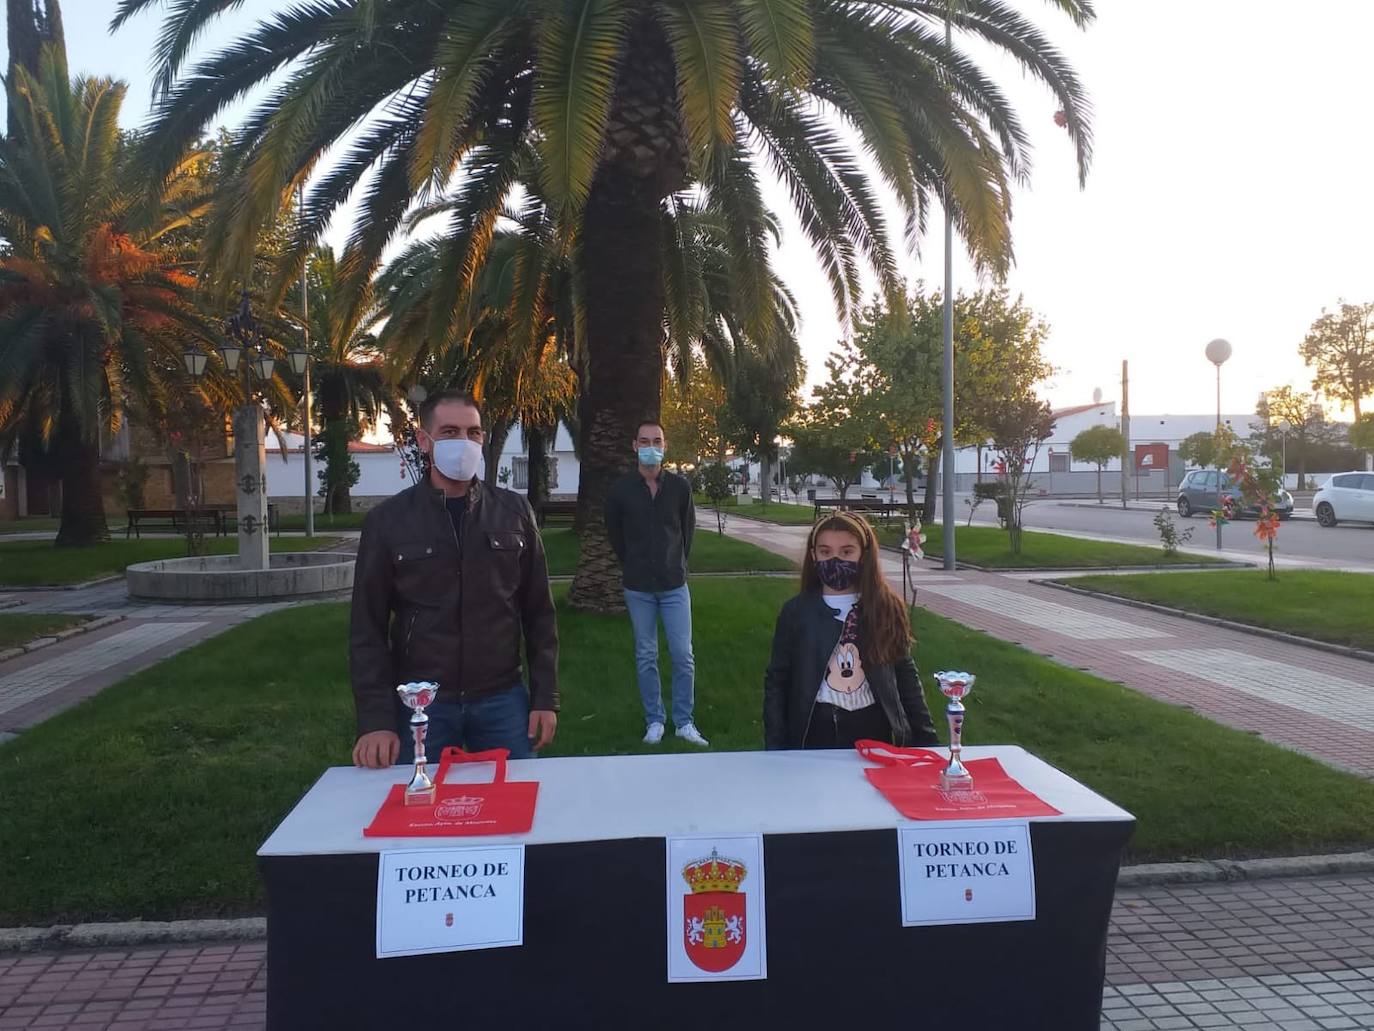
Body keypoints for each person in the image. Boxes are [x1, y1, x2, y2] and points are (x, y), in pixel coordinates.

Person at [350, 390, 558, 768]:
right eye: (449, 432)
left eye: (473, 432)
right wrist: (375, 721)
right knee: (417, 817)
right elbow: (367, 629)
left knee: (513, 812)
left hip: (502, 699)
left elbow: (539, 612)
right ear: (424, 440)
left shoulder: (513, 512)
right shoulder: (388, 521)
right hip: (422, 704)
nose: (463, 443)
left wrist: (545, 698)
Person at [763, 512, 937, 750]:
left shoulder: (885, 607)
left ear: (863, 555)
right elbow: (778, 681)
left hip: (874, 729)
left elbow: (905, 675)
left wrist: (927, 740)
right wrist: (776, 745)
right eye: (825, 552)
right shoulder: (796, 612)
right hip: (815, 730)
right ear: (813, 555)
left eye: (846, 552)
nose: (835, 560)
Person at [605, 420, 709, 747]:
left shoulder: (680, 488)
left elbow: (686, 533)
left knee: (683, 654)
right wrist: (634, 563)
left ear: (665, 446)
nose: (652, 446)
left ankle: (684, 722)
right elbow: (616, 536)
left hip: (674, 584)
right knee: (646, 654)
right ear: (635, 445)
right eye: (645, 440)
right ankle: (655, 720)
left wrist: (674, 563)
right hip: (638, 587)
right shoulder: (621, 490)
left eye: (658, 440)